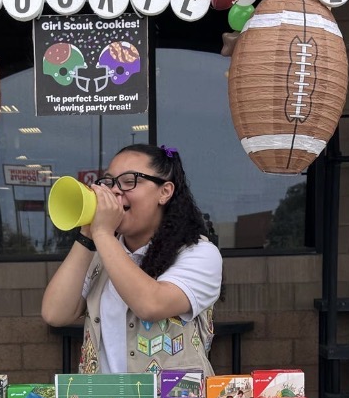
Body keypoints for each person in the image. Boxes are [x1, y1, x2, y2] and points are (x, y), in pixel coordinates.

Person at [40, 145, 222, 374]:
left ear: (165, 192)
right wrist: (88, 233)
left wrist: (102, 233)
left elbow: (151, 304)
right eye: (109, 182)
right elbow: (55, 313)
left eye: (129, 181)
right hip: (104, 397)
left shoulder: (199, 253)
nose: (115, 191)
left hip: (172, 397)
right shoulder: (101, 252)